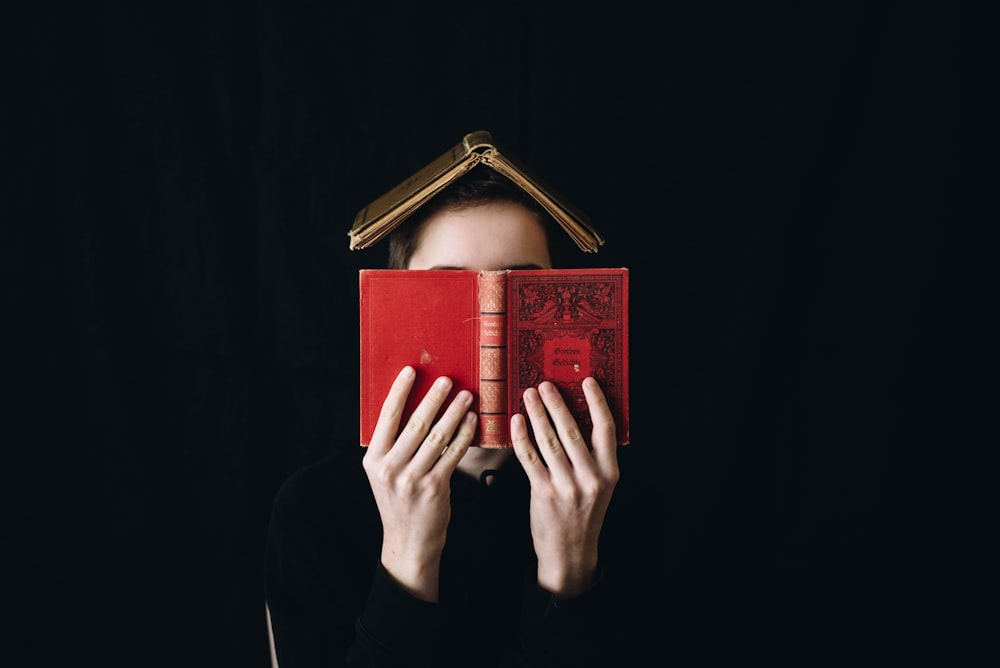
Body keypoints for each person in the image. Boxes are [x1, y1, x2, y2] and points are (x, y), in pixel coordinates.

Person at [263, 162, 625, 667]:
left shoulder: (621, 505)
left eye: (523, 292)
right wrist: (409, 558)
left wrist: (569, 571)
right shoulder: (314, 511)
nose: (488, 336)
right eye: (447, 292)